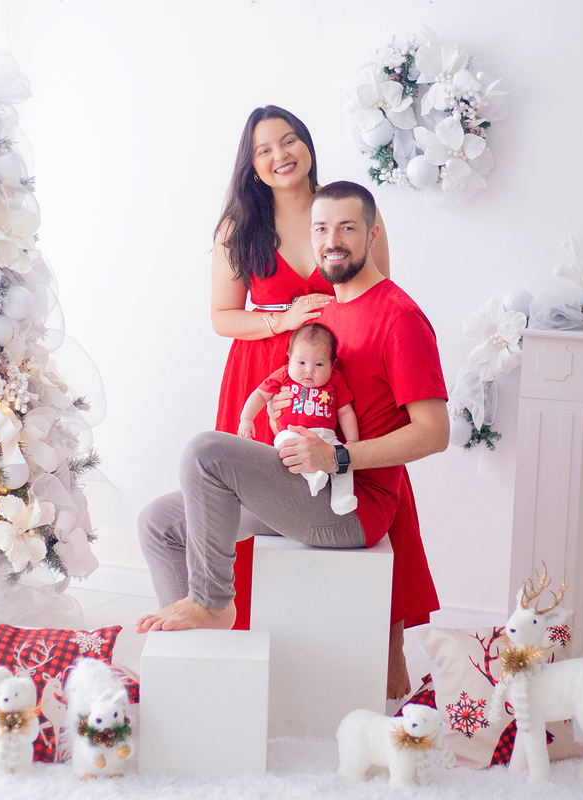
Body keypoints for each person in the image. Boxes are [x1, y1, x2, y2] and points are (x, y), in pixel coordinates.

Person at [138, 182, 448, 700]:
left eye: (348, 227)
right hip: (305, 485)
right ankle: (199, 679)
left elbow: (434, 433)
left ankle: (214, 603)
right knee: (159, 524)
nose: (333, 240)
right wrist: (288, 408)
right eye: (322, 229)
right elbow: (320, 392)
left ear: (373, 235)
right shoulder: (323, 316)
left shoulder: (399, 317)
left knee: (204, 452)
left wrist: (338, 454)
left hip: (352, 506)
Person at [209, 105, 391, 634]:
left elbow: (377, 297)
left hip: (338, 372)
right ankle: (245, 630)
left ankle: (360, 643)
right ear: (252, 163)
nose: (279, 156)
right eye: (264, 149)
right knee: (253, 500)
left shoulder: (346, 211)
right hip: (261, 376)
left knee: (348, 482)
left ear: (308, 145)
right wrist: (280, 321)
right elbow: (221, 317)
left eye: (289, 141)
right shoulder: (239, 226)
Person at [239, 322, 358, 515]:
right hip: (291, 433)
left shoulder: (335, 380)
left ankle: (342, 499)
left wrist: (352, 441)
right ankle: (314, 477)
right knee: (284, 443)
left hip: (325, 437)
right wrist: (247, 419)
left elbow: (345, 412)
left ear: (332, 364)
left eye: (319, 364)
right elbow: (260, 395)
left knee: (344, 460)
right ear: (290, 358)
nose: (309, 371)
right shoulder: (284, 374)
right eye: (301, 363)